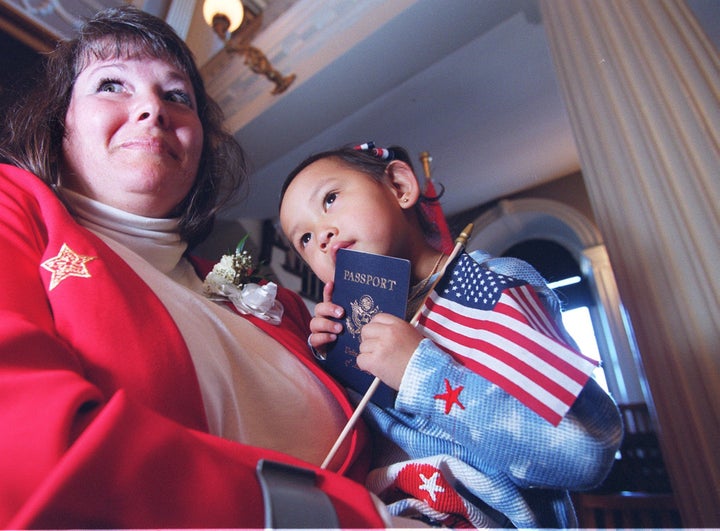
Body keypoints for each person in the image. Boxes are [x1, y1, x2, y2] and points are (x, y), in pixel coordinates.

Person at [0, 7, 393, 528]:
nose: (151, 109)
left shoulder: (261, 293)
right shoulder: (16, 211)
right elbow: (26, 449)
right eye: (112, 84)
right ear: (61, 123)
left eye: (176, 96)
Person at [278, 143, 624, 527]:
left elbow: (583, 450)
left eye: (330, 199)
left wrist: (421, 372)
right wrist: (333, 365)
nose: (320, 237)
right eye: (304, 239)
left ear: (398, 186)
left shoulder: (494, 284)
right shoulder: (348, 329)